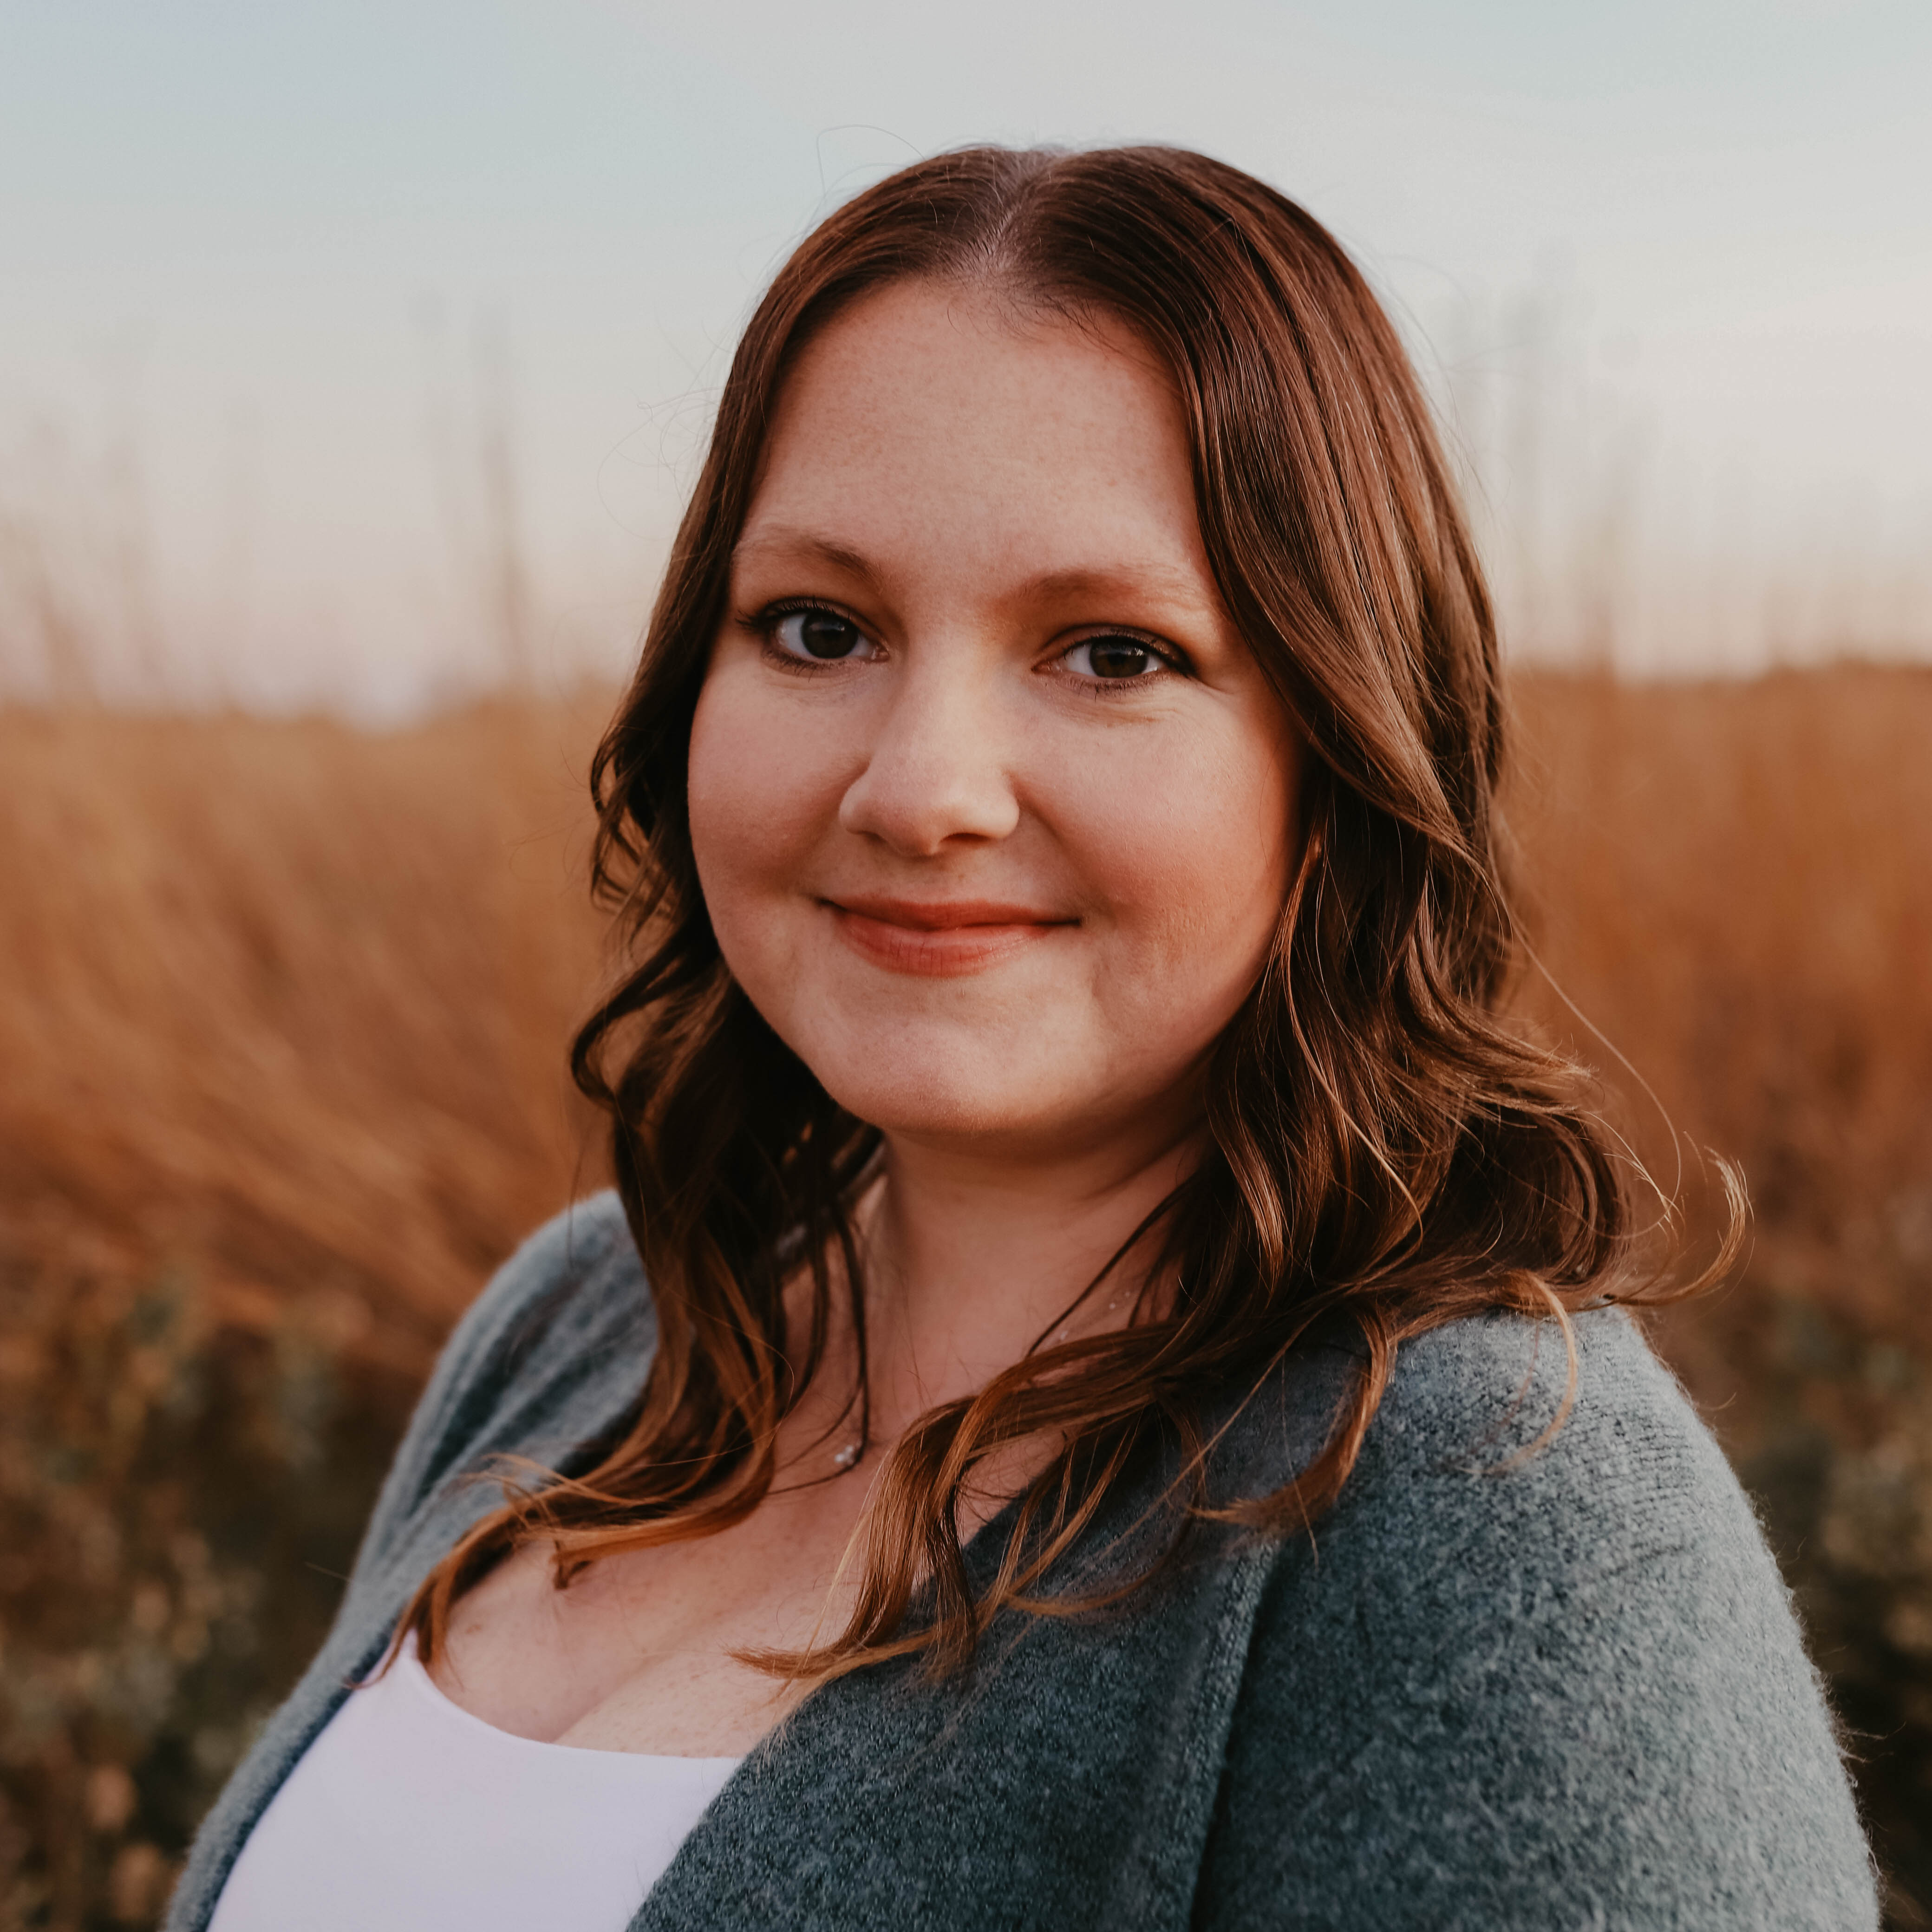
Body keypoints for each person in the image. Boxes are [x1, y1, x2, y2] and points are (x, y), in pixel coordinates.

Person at [170, 145, 1875, 1931]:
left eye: (1112, 653)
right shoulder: (589, 1318)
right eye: (819, 629)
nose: (920, 791)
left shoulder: (1501, 1514)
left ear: (1340, 758)